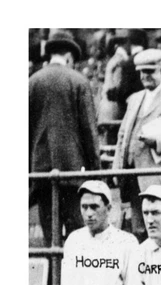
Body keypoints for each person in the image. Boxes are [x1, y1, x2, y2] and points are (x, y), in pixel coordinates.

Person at [29, 30, 100, 246]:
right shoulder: (78, 81)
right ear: (69, 56)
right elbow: (89, 132)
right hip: (73, 172)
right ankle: (73, 279)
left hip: (41, 172)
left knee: (50, 236)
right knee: (77, 235)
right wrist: (97, 175)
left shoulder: (31, 83)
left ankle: (52, 279)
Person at [113, 48, 161, 238]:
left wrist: (156, 141)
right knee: (138, 229)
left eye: (150, 71)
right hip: (133, 175)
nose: (145, 76)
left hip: (159, 177)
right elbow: (123, 134)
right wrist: (117, 167)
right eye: (142, 72)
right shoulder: (135, 99)